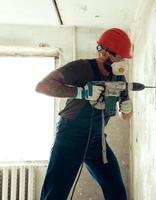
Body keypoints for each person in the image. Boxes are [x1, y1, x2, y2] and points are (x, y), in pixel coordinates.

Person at [36, 28, 133, 200]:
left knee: (117, 192)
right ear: (103, 53)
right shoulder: (81, 68)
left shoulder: (118, 79)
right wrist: (80, 93)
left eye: (123, 58)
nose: (121, 62)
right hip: (70, 137)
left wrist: (127, 109)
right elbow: (42, 86)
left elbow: (125, 116)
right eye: (119, 57)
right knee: (55, 194)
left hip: (97, 141)